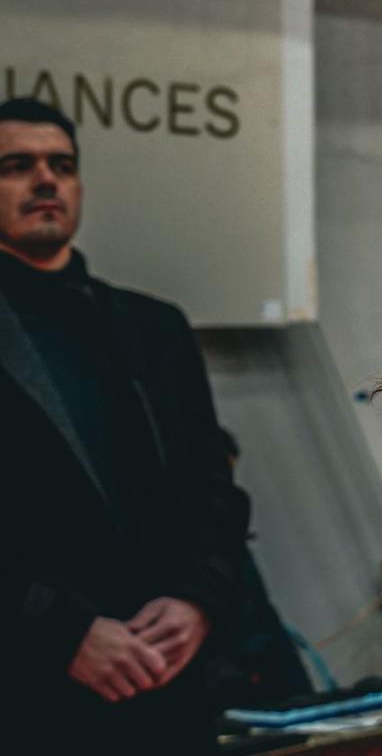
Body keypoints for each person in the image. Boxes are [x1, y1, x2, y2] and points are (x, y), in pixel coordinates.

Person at [0, 96, 251, 754]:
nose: (46, 180)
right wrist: (60, 632)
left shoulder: (153, 328)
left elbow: (217, 494)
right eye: (17, 166)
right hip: (28, 696)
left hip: (168, 692)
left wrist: (198, 601)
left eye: (62, 165)